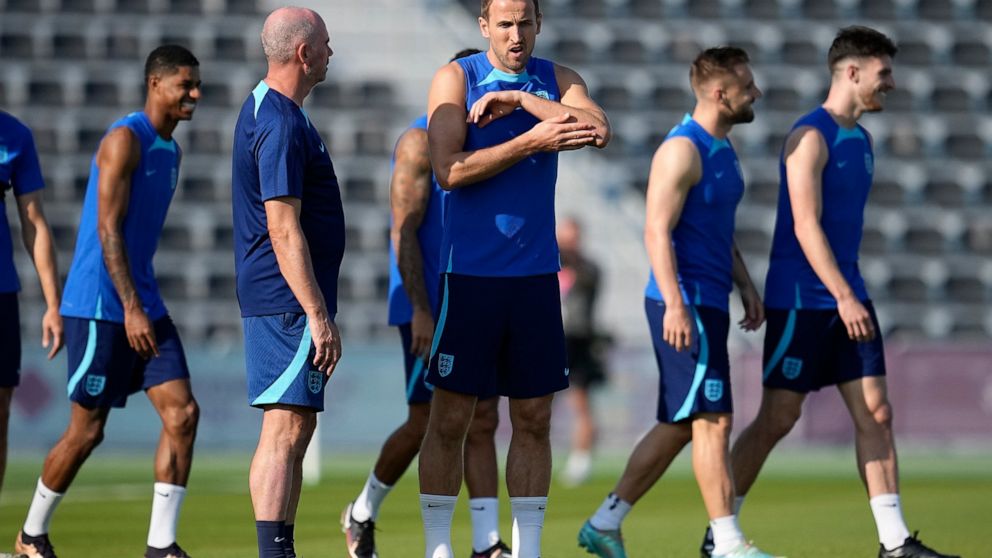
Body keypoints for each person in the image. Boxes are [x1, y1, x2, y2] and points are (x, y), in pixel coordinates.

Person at [699, 27, 958, 558]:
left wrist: (848, 294)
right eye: (883, 73)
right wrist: (841, 294)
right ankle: (719, 532)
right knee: (778, 419)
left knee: (877, 412)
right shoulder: (808, 136)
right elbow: (804, 225)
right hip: (803, 301)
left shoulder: (860, 140)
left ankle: (894, 542)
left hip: (847, 296)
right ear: (853, 71)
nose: (890, 83)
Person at [419, 0, 610, 556]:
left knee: (533, 416)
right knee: (452, 417)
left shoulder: (557, 79)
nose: (516, 33)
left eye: (525, 22)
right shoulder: (456, 78)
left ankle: (527, 552)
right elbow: (448, 169)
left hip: (535, 280)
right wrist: (530, 139)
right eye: (504, 23)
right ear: (484, 27)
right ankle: (438, 550)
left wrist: (525, 100)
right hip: (471, 276)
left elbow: (598, 130)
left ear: (538, 24)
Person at [578, 47, 779, 558]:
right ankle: (727, 543)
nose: (755, 93)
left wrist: (746, 286)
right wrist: (673, 303)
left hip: (708, 300)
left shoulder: (723, 149)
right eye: (747, 85)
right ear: (719, 93)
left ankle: (605, 522)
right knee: (714, 419)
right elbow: (655, 230)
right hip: (682, 303)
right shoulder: (681, 150)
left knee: (681, 424)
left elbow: (717, 232)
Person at [15, 45, 202, 558]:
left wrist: (143, 304)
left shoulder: (173, 152)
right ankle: (32, 534)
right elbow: (107, 229)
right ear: (155, 84)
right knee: (87, 431)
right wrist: (131, 308)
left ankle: (160, 546)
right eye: (185, 84)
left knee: (183, 414)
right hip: (100, 306)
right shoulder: (125, 141)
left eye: (196, 84)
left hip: (144, 301)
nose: (195, 94)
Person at [341, 48, 512, 558]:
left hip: (477, 300)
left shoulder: (489, 142)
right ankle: (363, 510)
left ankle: (487, 545)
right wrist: (420, 307)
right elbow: (404, 230)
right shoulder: (418, 142)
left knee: (483, 420)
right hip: (429, 305)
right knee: (428, 422)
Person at [231, 7, 343, 558]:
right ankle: (273, 553)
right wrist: (317, 313)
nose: (330, 51)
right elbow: (282, 224)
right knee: (285, 429)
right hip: (286, 302)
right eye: (324, 43)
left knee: (294, 429)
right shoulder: (278, 121)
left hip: (283, 299)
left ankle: (281, 549)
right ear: (303, 53)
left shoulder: (275, 111)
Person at [0, 112, 64, 497]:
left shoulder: (14, 135)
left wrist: (53, 303)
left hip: (2, 292)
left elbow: (34, 222)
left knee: (1, 410)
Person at [556, 216, 607, 487]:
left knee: (580, 402)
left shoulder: (589, 269)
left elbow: (586, 286)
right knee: (537, 402)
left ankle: (581, 461)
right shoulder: (550, 264)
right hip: (551, 338)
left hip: (576, 341)